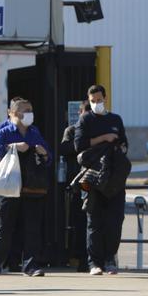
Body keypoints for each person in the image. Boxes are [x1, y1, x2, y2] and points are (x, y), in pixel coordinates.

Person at [0, 97, 50, 277]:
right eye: (23, 110)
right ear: (12, 113)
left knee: (32, 227)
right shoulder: (3, 132)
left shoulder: (34, 132)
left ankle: (30, 265)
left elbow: (47, 155)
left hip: (31, 186)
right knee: (5, 226)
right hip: (9, 186)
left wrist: (44, 153)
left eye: (30, 109)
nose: (28, 113)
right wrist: (12, 147)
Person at [74, 85, 128, 276]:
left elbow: (124, 144)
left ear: (105, 98)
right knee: (94, 220)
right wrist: (104, 138)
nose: (97, 103)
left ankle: (110, 258)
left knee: (115, 220)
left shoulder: (115, 119)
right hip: (93, 176)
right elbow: (79, 145)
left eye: (99, 100)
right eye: (93, 101)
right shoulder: (85, 120)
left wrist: (119, 147)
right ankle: (94, 262)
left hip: (114, 177)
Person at [59, 102, 89, 272]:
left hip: (95, 183)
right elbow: (64, 148)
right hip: (77, 183)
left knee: (93, 222)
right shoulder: (71, 130)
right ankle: (78, 257)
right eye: (85, 112)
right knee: (78, 222)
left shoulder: (98, 130)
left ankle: (92, 257)